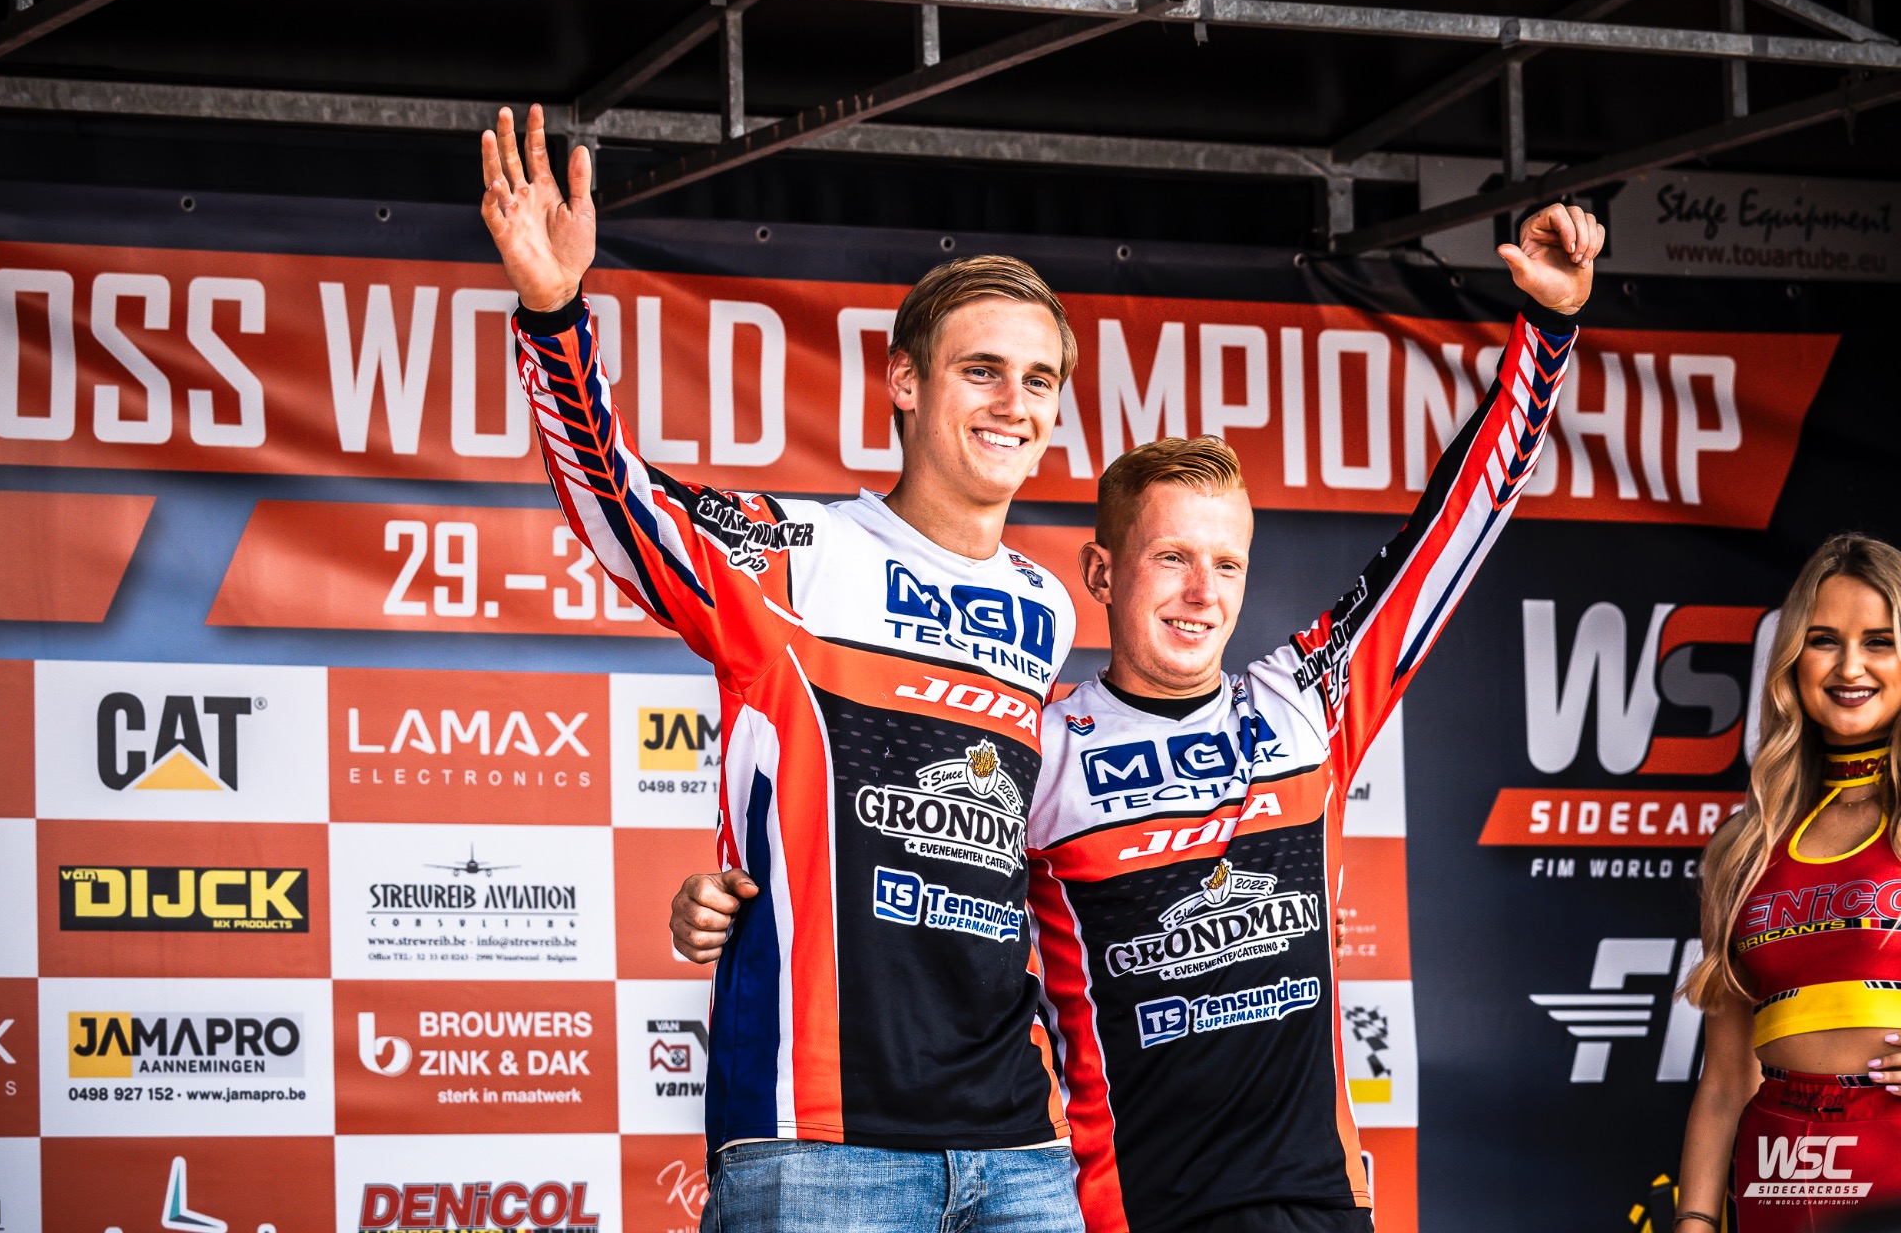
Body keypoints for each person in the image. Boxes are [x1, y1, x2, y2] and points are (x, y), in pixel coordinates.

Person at [674, 202, 1602, 1230]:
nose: (1202, 592)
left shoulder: (1307, 709)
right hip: (1122, 1209)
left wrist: (1545, 334)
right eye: (1171, 559)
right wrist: (728, 896)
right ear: (1102, 574)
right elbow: (881, 857)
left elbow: (1451, 532)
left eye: (1228, 565)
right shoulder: (1043, 745)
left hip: (1319, 1206)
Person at [478, 104, 1085, 1231]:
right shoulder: (791, 552)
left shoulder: (1045, 605)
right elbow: (620, 502)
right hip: (818, 1143)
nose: (1016, 404)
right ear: (905, 382)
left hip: (1019, 1147)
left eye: (1040, 380)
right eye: (983, 371)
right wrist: (555, 313)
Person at [1676, 534, 1901, 1233]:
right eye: (1824, 640)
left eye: (1880, 642)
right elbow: (1724, 1082)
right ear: (1792, 661)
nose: (1850, 666)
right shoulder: (1743, 849)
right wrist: (1694, 1222)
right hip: (1777, 1166)